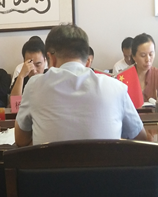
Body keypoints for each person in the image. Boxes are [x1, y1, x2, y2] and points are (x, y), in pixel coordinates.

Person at [15, 24, 146, 147]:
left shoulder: (34, 86)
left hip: (51, 164)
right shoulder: (116, 88)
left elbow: (21, 140)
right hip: (103, 165)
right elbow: (142, 139)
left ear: (51, 59)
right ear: (88, 62)